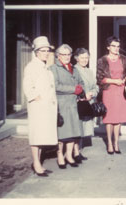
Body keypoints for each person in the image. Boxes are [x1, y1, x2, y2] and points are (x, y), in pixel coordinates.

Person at [23, 36, 57, 177]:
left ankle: (39, 163)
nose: (46, 53)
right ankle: (36, 163)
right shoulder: (32, 66)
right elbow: (27, 86)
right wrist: (36, 98)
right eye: (43, 50)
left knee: (42, 135)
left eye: (47, 50)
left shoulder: (45, 67)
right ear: (36, 52)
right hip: (38, 107)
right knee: (37, 135)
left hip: (47, 107)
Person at [96, 36, 126, 154]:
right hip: (109, 91)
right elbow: (100, 78)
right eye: (113, 46)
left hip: (120, 91)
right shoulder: (102, 60)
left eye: (118, 46)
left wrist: (125, 79)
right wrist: (114, 81)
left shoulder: (124, 59)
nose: (116, 48)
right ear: (108, 47)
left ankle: (116, 143)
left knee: (118, 119)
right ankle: (109, 144)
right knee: (109, 119)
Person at [49, 44, 84, 169]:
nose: (66, 57)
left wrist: (81, 89)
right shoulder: (54, 68)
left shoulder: (74, 68)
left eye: (68, 54)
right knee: (62, 134)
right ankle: (60, 156)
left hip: (74, 105)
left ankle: (69, 156)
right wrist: (73, 89)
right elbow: (55, 86)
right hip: (62, 104)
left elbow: (81, 82)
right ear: (58, 56)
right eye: (63, 54)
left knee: (73, 132)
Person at [73, 48, 99, 163]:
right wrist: (83, 95)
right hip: (79, 102)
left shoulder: (89, 71)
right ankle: (75, 152)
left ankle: (78, 151)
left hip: (89, 102)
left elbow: (96, 86)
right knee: (77, 127)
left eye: (86, 58)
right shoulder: (73, 70)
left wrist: (92, 93)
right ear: (76, 58)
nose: (84, 60)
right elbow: (74, 86)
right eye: (82, 57)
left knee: (84, 127)